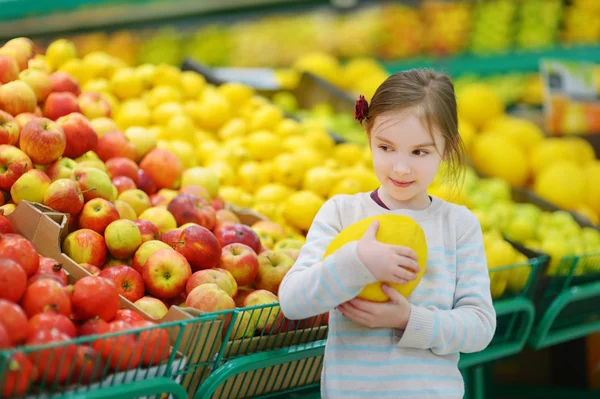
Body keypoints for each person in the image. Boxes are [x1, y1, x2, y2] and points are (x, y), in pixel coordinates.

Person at [278, 69, 496, 399]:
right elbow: (293, 302)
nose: (401, 168)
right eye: (386, 147)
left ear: (447, 148)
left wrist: (409, 319)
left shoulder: (458, 225)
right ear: (368, 137)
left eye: (419, 152)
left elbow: (479, 327)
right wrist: (356, 261)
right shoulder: (341, 213)